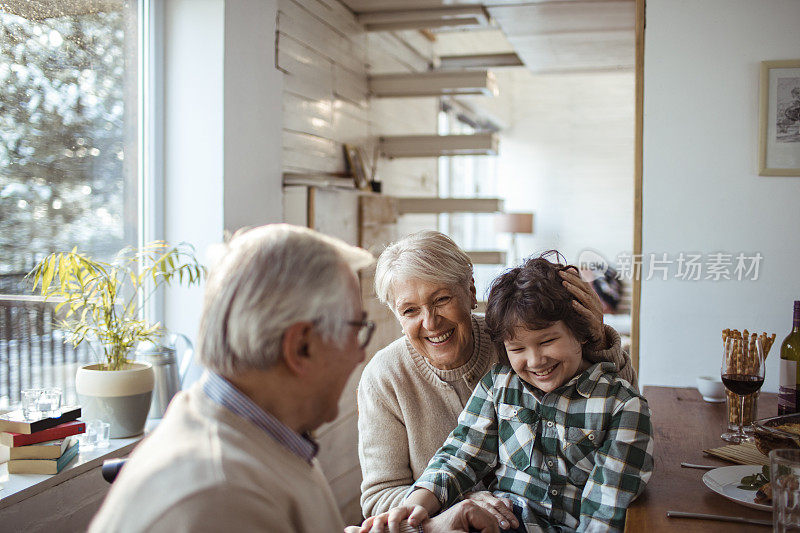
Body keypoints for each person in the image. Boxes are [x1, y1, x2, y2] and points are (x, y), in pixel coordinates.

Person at [88, 224, 499, 533]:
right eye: (356, 329)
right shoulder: (220, 496)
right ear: (301, 346)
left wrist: (436, 525)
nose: (360, 353)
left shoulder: (257, 439)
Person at [360, 253, 654, 533]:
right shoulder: (500, 380)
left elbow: (604, 513)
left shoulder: (621, 404)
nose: (536, 360)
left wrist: (599, 335)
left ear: (470, 291)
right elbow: (458, 455)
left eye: (442, 299)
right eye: (410, 310)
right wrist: (416, 511)